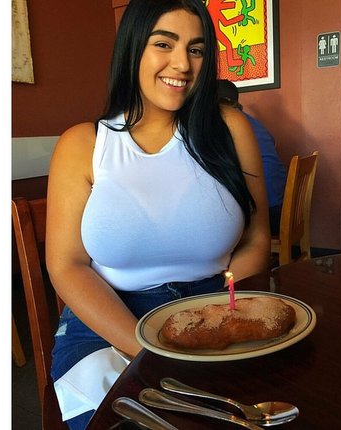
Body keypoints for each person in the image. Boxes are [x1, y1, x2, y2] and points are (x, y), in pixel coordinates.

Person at [46, 1, 271, 428]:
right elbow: (67, 265)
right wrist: (151, 348)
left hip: (212, 308)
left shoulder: (230, 130)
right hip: (107, 318)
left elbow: (257, 239)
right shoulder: (82, 144)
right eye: (164, 44)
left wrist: (218, 320)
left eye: (196, 49)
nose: (183, 64)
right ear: (133, 48)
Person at [217, 79, 287, 236]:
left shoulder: (226, 126)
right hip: (281, 205)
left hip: (265, 213)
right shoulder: (252, 122)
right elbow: (273, 142)